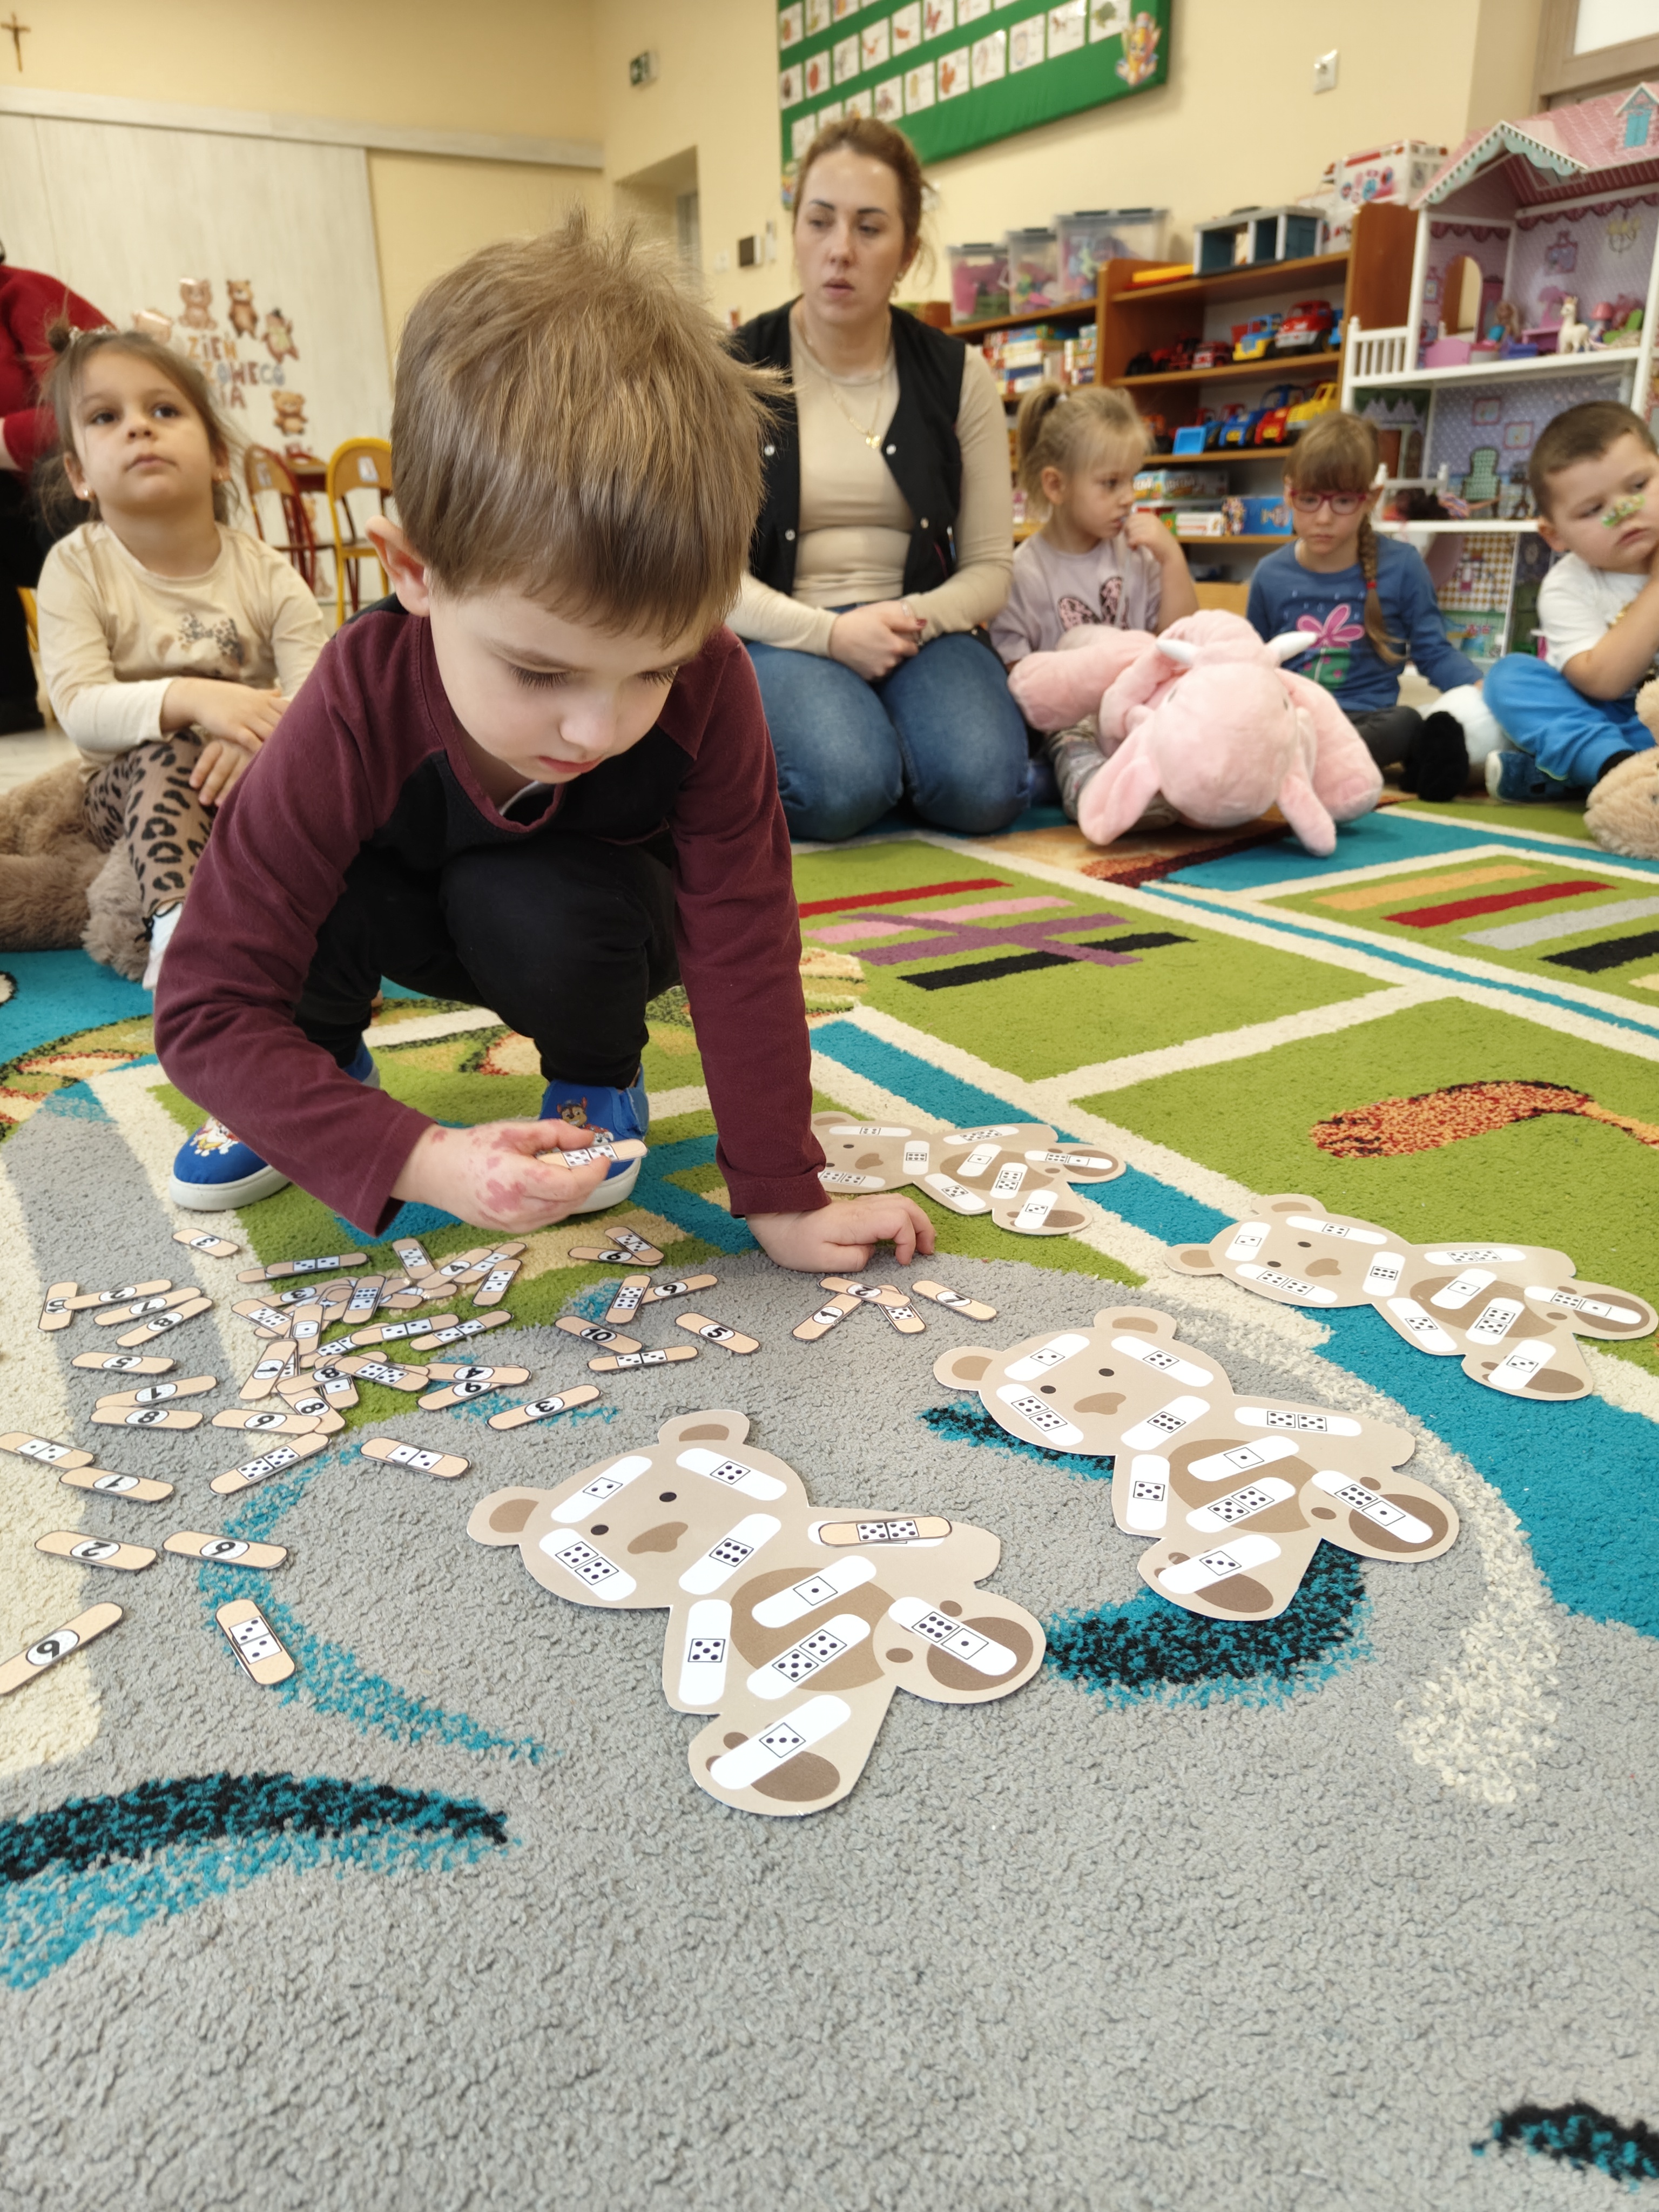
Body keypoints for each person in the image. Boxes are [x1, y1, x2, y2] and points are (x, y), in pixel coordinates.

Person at [153, 213, 934, 1280]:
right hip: (405, 908)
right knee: (310, 894)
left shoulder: (717, 681)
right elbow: (205, 1003)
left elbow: (746, 944)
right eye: (538, 670)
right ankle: (317, 1071)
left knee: (541, 893)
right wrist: (416, 1156)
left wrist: (781, 1190)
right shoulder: (355, 695)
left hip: (586, 920)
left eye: (652, 669)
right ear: (414, 572)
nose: (598, 729)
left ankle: (595, 1073)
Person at [729, 117, 1028, 844]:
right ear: (795, 231)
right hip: (784, 632)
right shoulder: (734, 370)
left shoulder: (960, 375)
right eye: (819, 222)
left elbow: (992, 568)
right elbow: (709, 580)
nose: (840, 250)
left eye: (869, 228)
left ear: (909, 252)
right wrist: (832, 634)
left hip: (919, 627)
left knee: (987, 788)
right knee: (840, 785)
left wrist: (904, 622)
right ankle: (881, 763)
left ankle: (900, 759)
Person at [33, 326, 328, 989]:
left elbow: (321, 693)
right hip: (127, 786)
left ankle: (320, 931)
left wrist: (259, 741)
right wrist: (195, 699)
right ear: (79, 475)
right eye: (106, 417)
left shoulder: (266, 571)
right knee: (165, 756)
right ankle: (181, 933)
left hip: (250, 771)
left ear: (219, 457)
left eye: (164, 409)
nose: (139, 427)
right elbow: (80, 708)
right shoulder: (75, 568)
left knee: (335, 779)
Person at [991, 381, 1197, 818]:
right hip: (1069, 726)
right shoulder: (1023, 572)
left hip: (1140, 713)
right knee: (1070, 745)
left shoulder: (1137, 554)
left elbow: (1180, 642)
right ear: (1056, 485)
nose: (1129, 497)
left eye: (1132, 480)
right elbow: (1018, 682)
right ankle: (1105, 797)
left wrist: (1173, 559)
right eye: (1110, 483)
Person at [1246, 411, 1475, 801]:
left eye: (1343, 501)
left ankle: (1310, 766)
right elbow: (1255, 664)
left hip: (1368, 722)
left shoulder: (1403, 566)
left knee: (1408, 722)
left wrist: (1484, 689)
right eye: (1309, 500)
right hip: (1295, 719)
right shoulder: (1270, 573)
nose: (1323, 518)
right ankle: (1320, 765)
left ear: (1370, 498)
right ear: (1289, 494)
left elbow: (1433, 652)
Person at [1482, 400, 1659, 801]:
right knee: (1510, 677)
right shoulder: (1567, 586)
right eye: (1593, 509)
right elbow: (1604, 682)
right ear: (1555, 535)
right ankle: (1614, 767)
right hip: (1613, 721)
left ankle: (1566, 773)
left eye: (1638, 486)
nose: (1623, 511)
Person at [0, 249, 109, 732]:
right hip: (19, 515)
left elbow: (92, 408)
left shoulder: (22, 294)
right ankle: (9, 698)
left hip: (82, 496)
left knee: (63, 469)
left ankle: (114, 679)